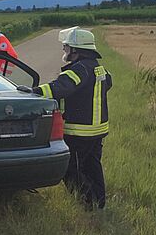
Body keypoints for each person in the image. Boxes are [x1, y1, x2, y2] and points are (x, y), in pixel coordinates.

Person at [24, 26, 112, 209]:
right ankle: (99, 201)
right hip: (98, 130)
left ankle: (86, 203)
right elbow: (107, 84)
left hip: (80, 131)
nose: (64, 50)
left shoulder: (79, 69)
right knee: (92, 166)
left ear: (76, 50)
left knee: (71, 168)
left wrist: (33, 92)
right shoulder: (98, 68)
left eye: (66, 47)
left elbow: (59, 88)